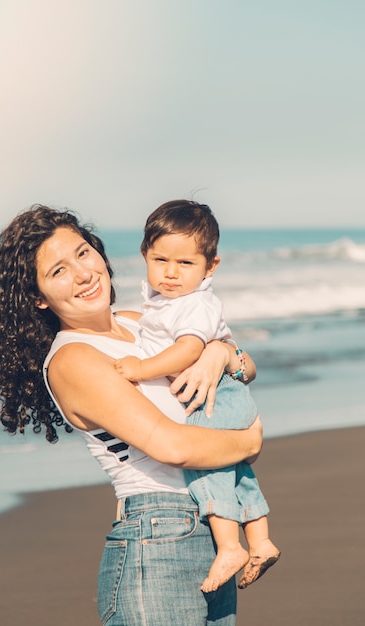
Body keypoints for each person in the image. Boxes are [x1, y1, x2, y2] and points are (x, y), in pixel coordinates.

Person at [0, 204, 263, 626]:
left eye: (82, 253)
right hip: (157, 537)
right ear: (39, 297)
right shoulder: (72, 359)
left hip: (211, 522)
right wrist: (250, 440)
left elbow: (242, 366)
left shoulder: (139, 322)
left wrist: (221, 353)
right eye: (58, 271)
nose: (82, 273)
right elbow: (172, 446)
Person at [115, 200, 280, 592]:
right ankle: (260, 541)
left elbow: (189, 350)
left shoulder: (193, 304)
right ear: (145, 255)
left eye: (185, 264)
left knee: (206, 466)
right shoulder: (166, 302)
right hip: (228, 393)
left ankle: (229, 547)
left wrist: (141, 369)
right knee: (236, 470)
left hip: (216, 395)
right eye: (160, 260)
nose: (171, 273)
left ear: (211, 266)